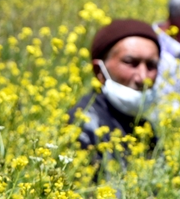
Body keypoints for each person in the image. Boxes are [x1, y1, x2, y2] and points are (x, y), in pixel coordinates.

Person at [69, 19, 161, 163]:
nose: (143, 78)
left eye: (151, 65)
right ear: (99, 71)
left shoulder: (146, 131)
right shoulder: (81, 125)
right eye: (130, 63)